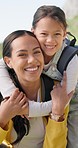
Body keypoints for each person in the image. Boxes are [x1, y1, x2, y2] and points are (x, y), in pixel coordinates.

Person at [0, 5, 78, 147]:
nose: (32, 60)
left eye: (37, 52)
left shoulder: (56, 91)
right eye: (22, 54)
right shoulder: (4, 88)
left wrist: (56, 113)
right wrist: (3, 117)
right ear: (8, 62)